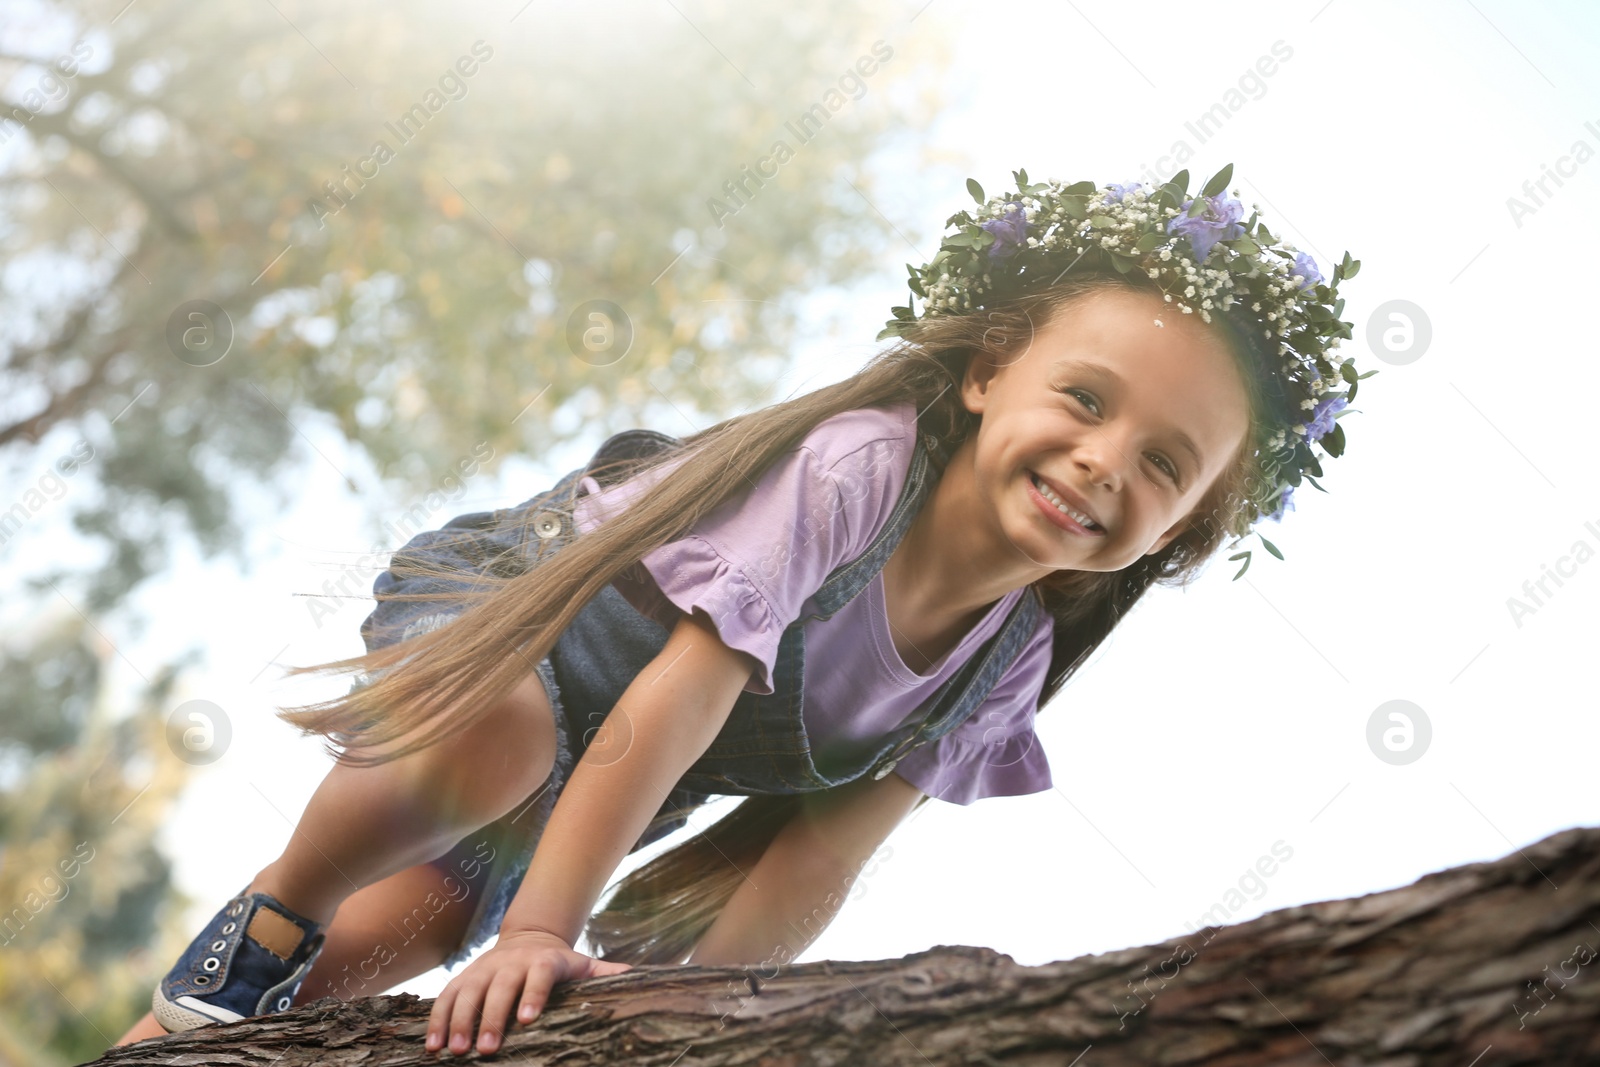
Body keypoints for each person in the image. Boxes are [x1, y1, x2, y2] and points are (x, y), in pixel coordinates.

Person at [113, 163, 1368, 1055]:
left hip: (589, 799)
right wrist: (545, 926)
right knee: (497, 748)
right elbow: (675, 694)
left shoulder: (1000, 665)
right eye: (1085, 400)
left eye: (1163, 464)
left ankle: (172, 1023)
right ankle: (282, 899)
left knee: (360, 973)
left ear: (1186, 525)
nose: (1105, 460)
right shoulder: (857, 468)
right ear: (989, 373)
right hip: (518, 617)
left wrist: (666, 1016)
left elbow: (816, 857)